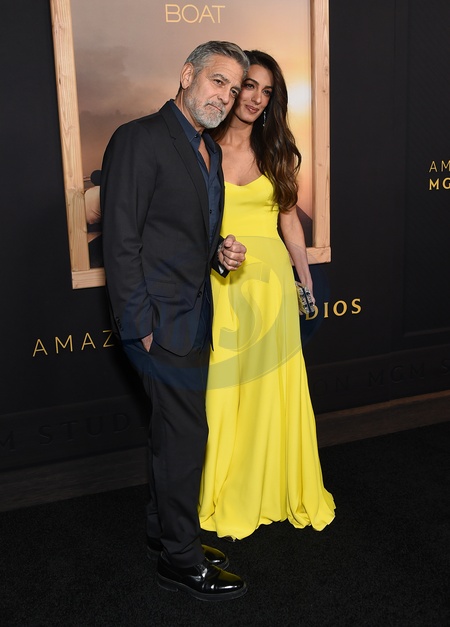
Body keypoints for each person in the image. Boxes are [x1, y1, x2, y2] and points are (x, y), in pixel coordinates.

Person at [101, 41, 249, 601]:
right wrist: (141, 327)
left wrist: (219, 255)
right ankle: (181, 562)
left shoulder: (207, 150)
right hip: (159, 325)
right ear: (187, 75)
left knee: (171, 436)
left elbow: (181, 235)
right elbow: (121, 240)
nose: (225, 96)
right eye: (217, 81)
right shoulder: (138, 138)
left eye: (233, 89)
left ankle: (163, 534)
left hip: (193, 318)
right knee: (186, 439)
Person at [198, 50, 335, 540]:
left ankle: (274, 485)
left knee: (272, 388)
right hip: (223, 283)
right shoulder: (202, 148)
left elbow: (288, 218)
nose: (256, 98)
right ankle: (228, 488)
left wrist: (303, 272)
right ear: (232, 89)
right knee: (225, 389)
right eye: (249, 86)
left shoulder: (275, 150)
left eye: (267, 91)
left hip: (272, 286)